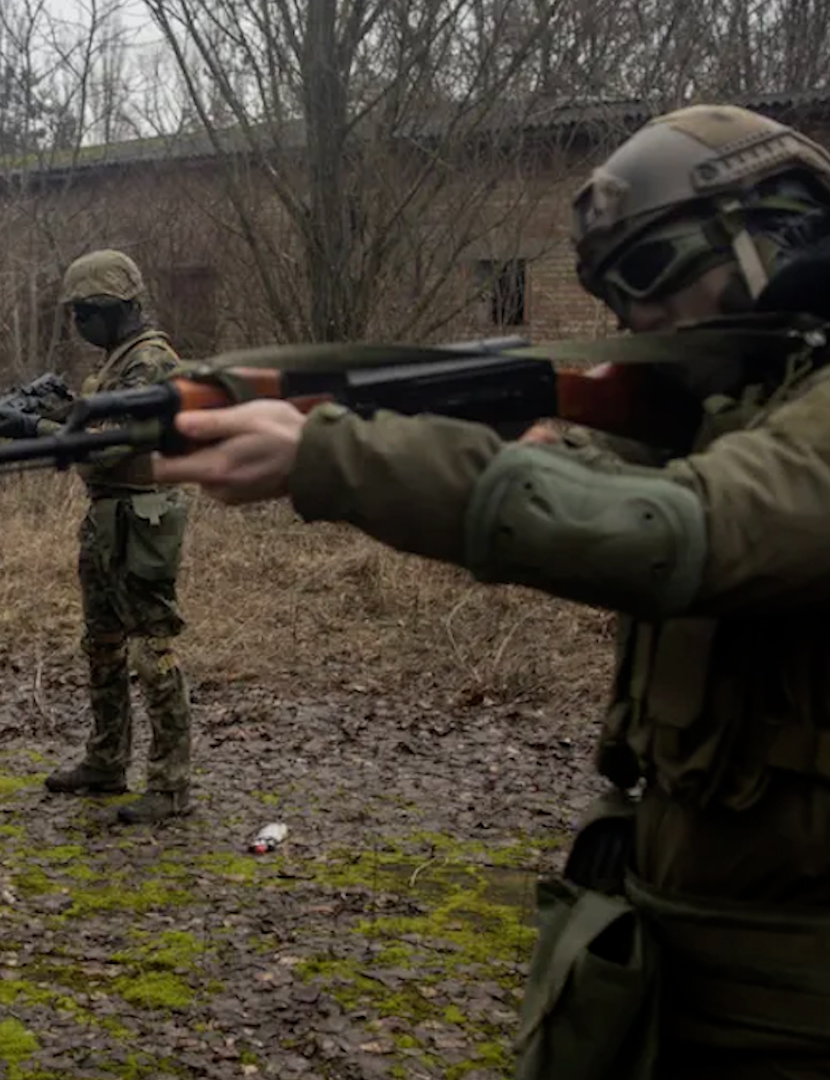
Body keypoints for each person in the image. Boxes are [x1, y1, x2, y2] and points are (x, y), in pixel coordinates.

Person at [150, 105, 830, 1078]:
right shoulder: (749, 407)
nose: (636, 320)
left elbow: (676, 530)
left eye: (651, 273)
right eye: (611, 289)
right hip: (696, 985)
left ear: (783, 231)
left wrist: (334, 456)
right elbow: (615, 475)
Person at [0, 250, 197, 824]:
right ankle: (106, 760)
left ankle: (172, 784)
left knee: (152, 648)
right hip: (108, 514)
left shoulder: (150, 362)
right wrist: (60, 406)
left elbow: (111, 443)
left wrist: (34, 426)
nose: (76, 327)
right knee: (101, 643)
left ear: (109, 309)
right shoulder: (119, 361)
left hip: (143, 517)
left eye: (81, 315)